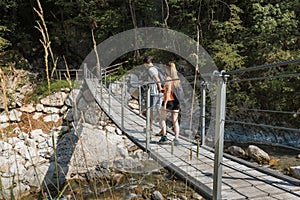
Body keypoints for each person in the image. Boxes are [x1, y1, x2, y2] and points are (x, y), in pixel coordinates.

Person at [159, 62, 180, 146]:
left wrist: (165, 104)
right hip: (176, 102)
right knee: (175, 121)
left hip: (169, 101)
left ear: (168, 69)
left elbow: (168, 92)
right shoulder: (177, 79)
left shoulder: (168, 78)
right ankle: (176, 138)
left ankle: (164, 136)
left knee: (162, 118)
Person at [143, 56, 164, 133]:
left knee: (150, 110)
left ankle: (149, 127)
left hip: (154, 92)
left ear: (145, 63)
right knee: (158, 110)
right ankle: (163, 128)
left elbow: (157, 79)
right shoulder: (156, 68)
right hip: (159, 93)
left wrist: (159, 88)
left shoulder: (151, 69)